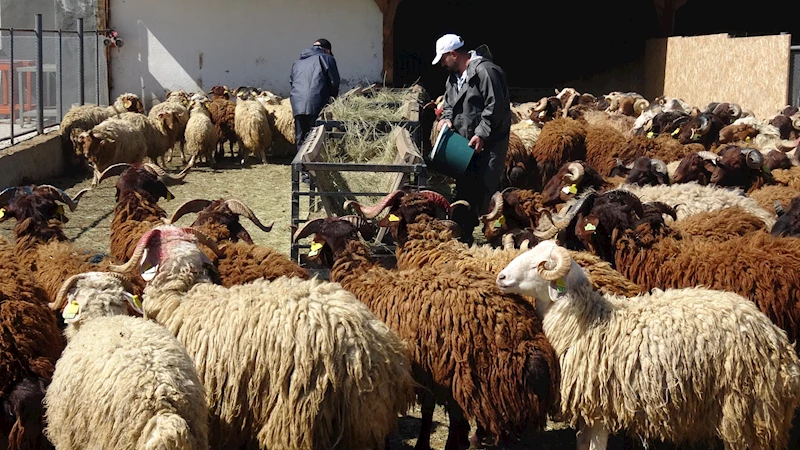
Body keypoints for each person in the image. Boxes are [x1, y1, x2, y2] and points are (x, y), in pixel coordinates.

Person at [432, 34, 511, 245]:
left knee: (487, 188)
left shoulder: (486, 72)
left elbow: (496, 106)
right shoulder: (453, 77)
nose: (442, 64)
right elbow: (448, 103)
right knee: (465, 187)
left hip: (490, 144)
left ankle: (494, 240)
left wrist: (482, 133)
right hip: (464, 143)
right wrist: (446, 118)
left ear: (453, 54)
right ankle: (465, 237)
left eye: (443, 59)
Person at [290, 38, 341, 149]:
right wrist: (333, 100)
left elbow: (292, 82)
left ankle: (300, 159)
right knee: (318, 137)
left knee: (302, 138)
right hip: (318, 103)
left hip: (298, 104)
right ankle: (317, 159)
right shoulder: (327, 58)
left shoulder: (297, 62)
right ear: (327, 50)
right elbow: (334, 82)